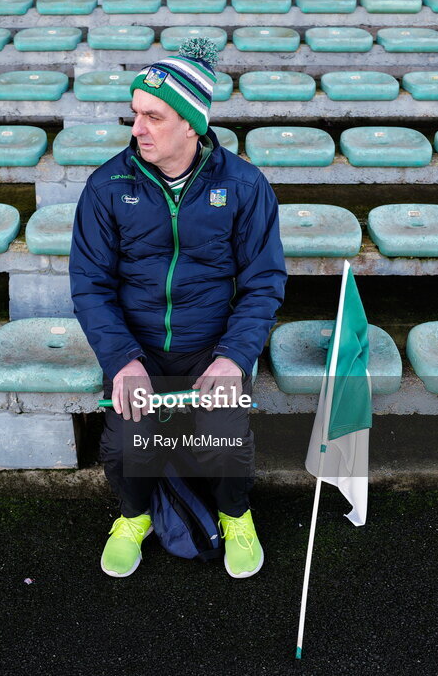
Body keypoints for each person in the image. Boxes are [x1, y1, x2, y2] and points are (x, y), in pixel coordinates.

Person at [69, 38, 287, 579]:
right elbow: (89, 284)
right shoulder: (107, 185)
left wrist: (234, 357)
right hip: (137, 348)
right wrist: (121, 359)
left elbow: (264, 282)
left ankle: (236, 516)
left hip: (210, 347)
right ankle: (133, 517)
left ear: (191, 124)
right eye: (135, 114)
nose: (136, 129)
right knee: (125, 444)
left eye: (152, 117)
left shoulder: (243, 186)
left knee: (227, 442)